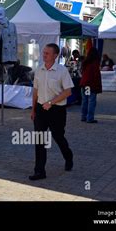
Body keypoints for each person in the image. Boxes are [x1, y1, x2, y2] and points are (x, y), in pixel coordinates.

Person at [29, 43, 74, 181]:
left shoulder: (62, 71)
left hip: (57, 110)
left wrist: (51, 103)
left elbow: (68, 91)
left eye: (47, 53)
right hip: (41, 109)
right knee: (39, 141)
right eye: (43, 53)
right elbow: (35, 91)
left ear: (55, 55)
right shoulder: (39, 70)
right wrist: (33, 109)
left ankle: (68, 156)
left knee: (58, 137)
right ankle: (39, 171)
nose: (44, 55)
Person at [79, 47, 102, 123]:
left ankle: (83, 116)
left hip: (84, 83)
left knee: (85, 100)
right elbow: (96, 75)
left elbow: (82, 72)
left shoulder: (85, 62)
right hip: (91, 84)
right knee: (91, 101)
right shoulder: (95, 62)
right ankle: (90, 118)